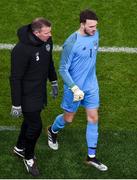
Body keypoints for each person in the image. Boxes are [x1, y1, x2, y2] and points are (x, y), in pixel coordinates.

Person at [47, 9, 108, 171]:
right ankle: (52, 130)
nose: (94, 29)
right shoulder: (71, 43)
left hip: (91, 86)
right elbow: (62, 69)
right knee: (68, 119)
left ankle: (91, 157)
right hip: (73, 89)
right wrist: (74, 88)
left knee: (93, 118)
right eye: (91, 26)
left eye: (95, 26)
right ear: (82, 24)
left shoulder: (95, 34)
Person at [10, 17, 58, 176]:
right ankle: (28, 157)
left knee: (30, 122)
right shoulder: (21, 50)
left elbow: (48, 61)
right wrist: (16, 104)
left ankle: (19, 148)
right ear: (36, 33)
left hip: (39, 92)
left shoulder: (47, 42)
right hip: (26, 95)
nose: (50, 35)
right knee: (36, 126)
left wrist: (53, 80)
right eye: (47, 33)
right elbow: (15, 78)